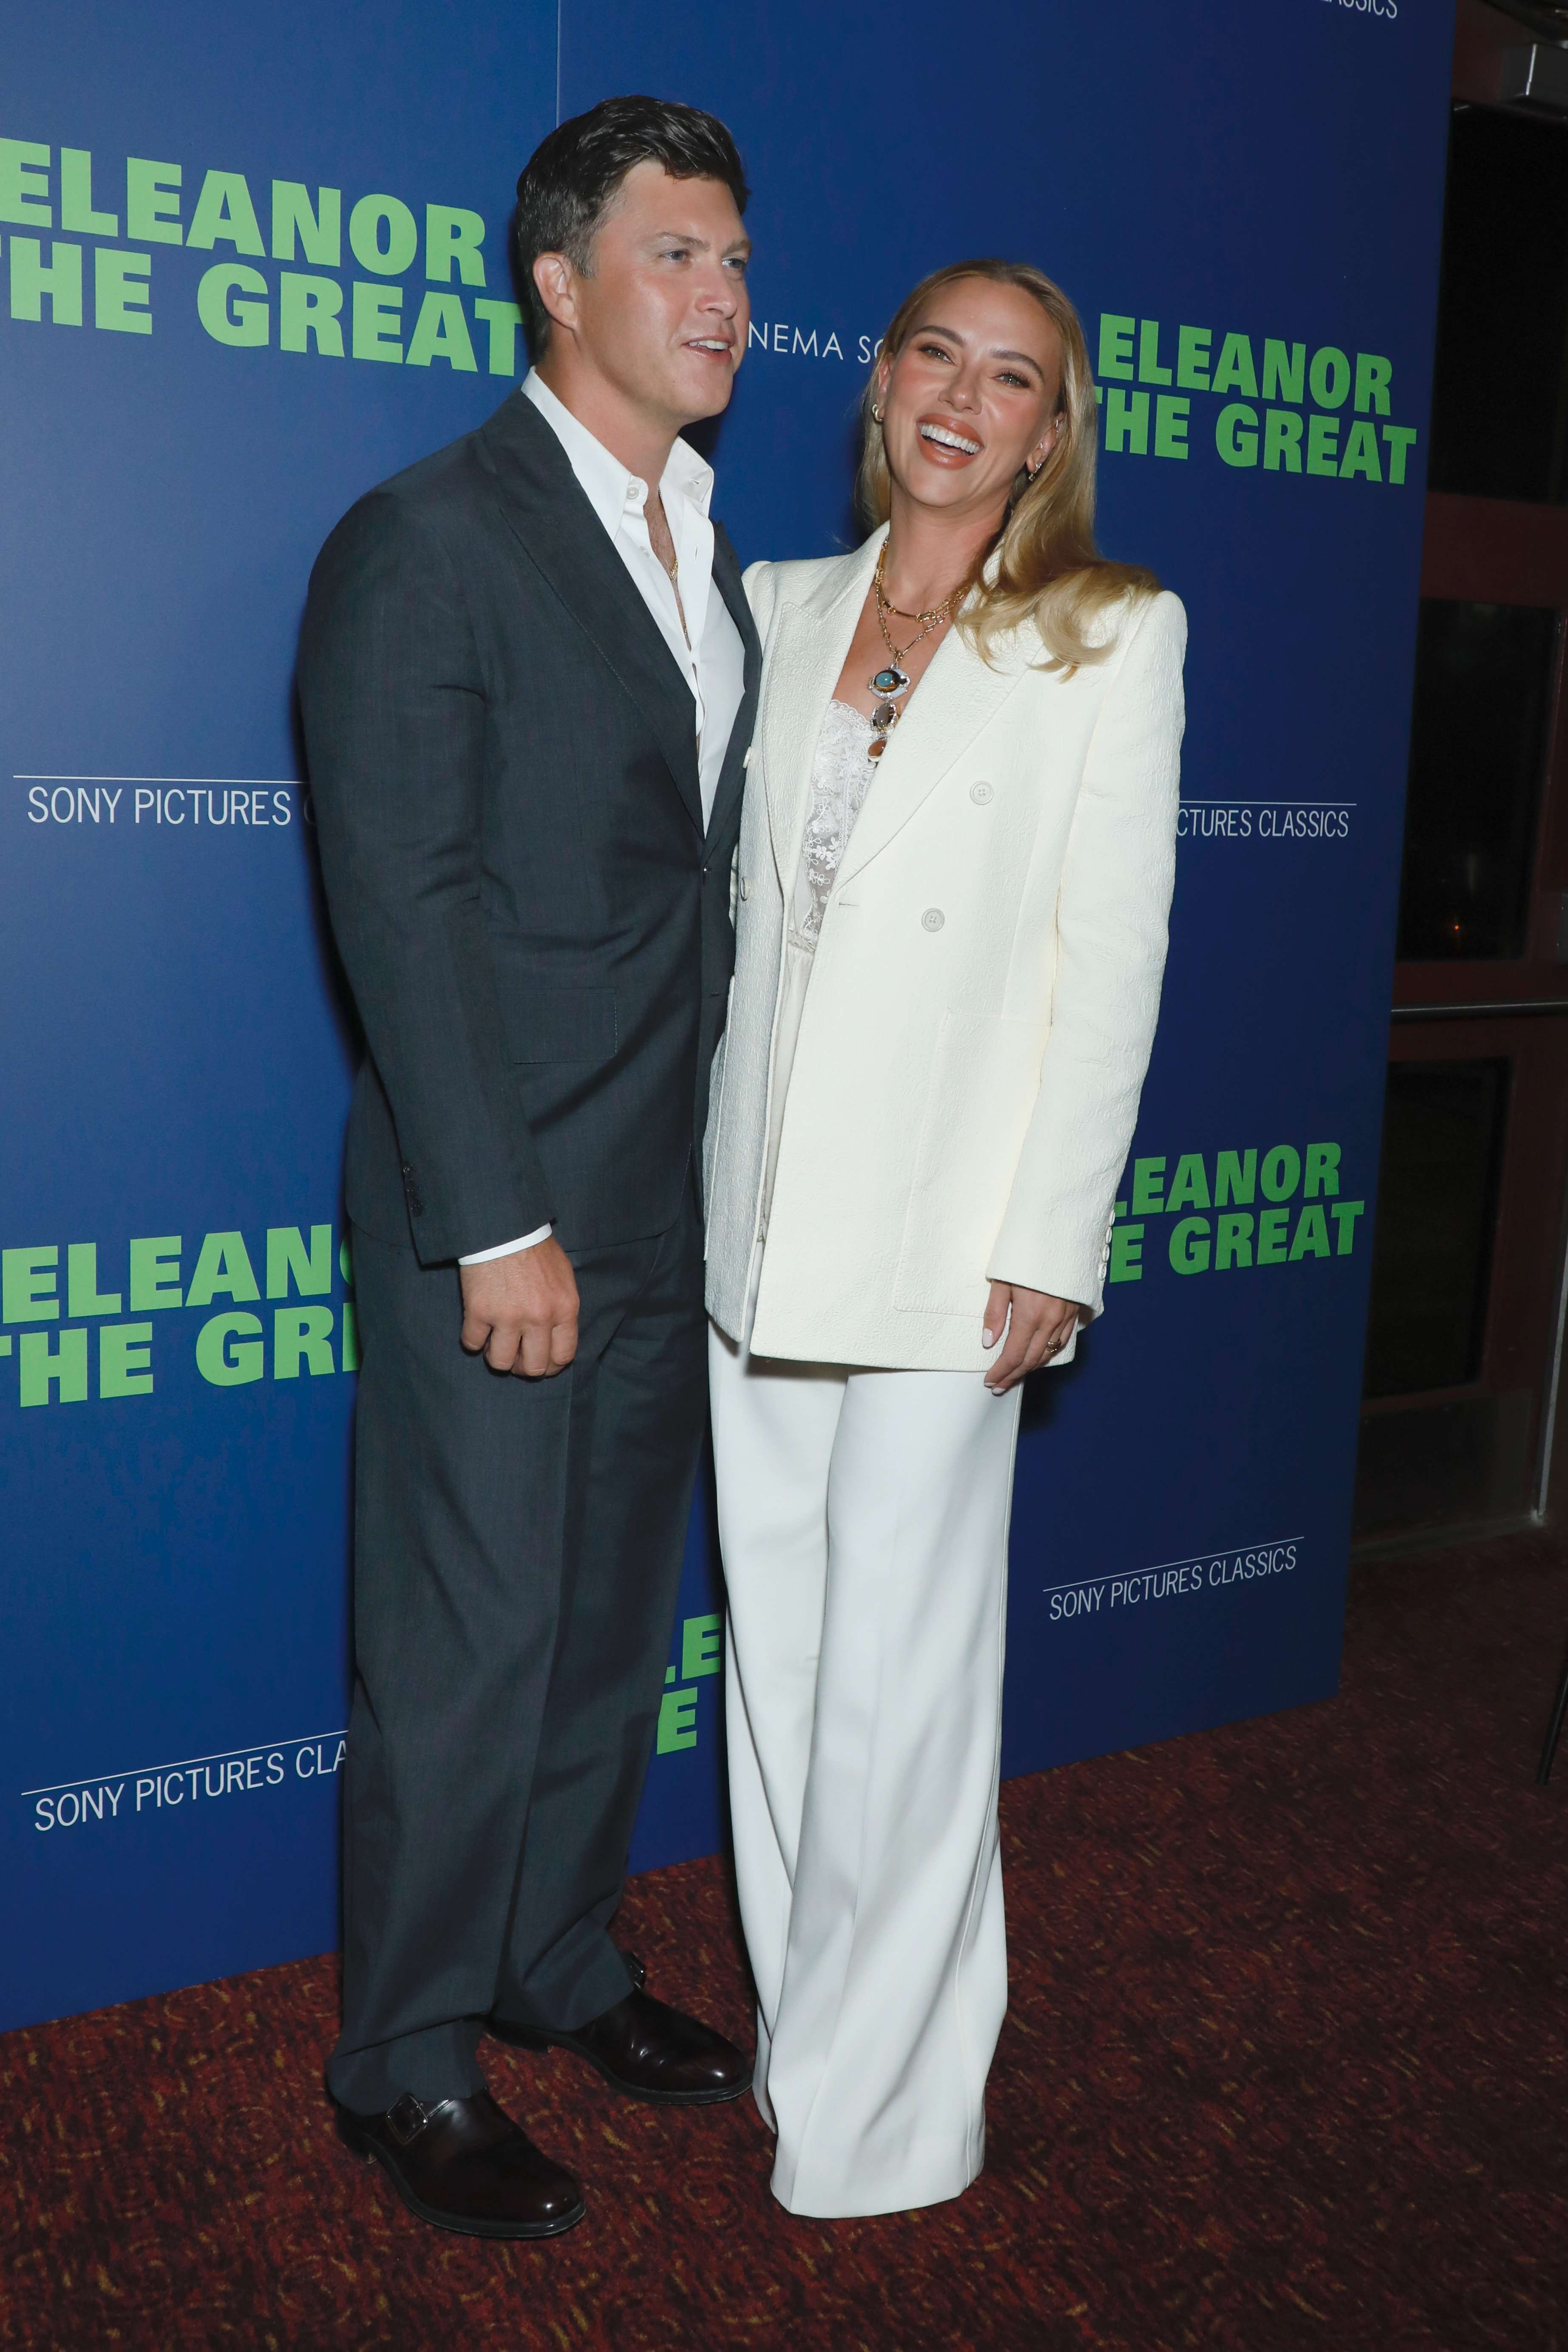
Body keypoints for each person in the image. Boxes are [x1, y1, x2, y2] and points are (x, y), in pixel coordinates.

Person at [298, 95, 760, 2241]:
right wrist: (496, 1217)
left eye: (736, 260)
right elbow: (402, 903)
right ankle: (403, 2055)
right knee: (468, 1646)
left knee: (601, 1630)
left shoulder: (715, 554)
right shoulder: (428, 534)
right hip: (504, 1215)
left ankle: (557, 1957)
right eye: (675, 255)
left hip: (668, 1199)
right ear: (557, 283)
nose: (722, 296)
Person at [703, 259, 1186, 2218]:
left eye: (1010, 379)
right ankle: (804, 2041)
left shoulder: (1107, 632)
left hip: (945, 1236)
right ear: (880, 381)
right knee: (781, 1662)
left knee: (899, 1682)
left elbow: (1112, 955)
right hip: (752, 1221)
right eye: (934, 357)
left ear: (1050, 430)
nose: (961, 401)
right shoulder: (774, 605)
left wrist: (1055, 1234)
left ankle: (887, 2119)